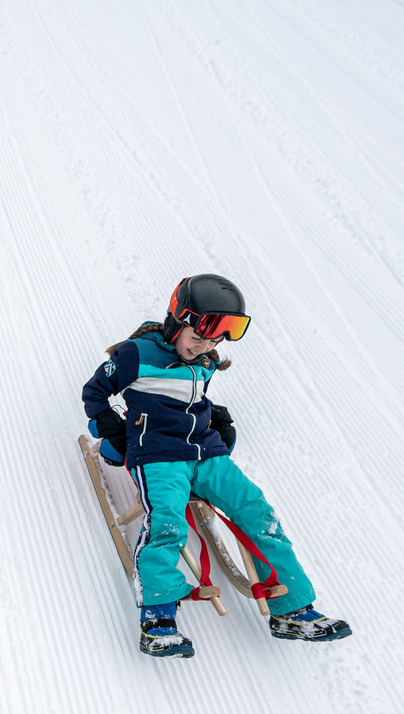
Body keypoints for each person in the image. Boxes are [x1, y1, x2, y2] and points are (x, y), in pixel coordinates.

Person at [81, 274, 353, 658]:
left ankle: (293, 610)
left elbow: (187, 398)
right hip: (158, 455)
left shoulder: (205, 360)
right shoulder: (136, 355)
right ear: (177, 321)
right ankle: (158, 620)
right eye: (198, 336)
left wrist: (215, 417)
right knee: (167, 523)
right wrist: (116, 432)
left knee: (258, 511)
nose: (205, 346)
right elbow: (94, 391)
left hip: (204, 453)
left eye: (214, 340)